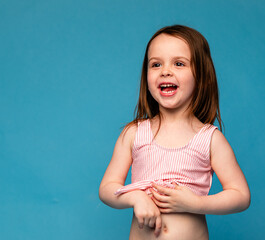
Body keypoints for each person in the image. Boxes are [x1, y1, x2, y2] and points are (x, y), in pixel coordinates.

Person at [99, 25, 250, 240]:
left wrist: (197, 203)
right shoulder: (134, 133)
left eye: (179, 63)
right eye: (156, 64)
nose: (165, 71)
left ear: (202, 76)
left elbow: (241, 195)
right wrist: (135, 198)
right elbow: (107, 188)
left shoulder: (209, 139)